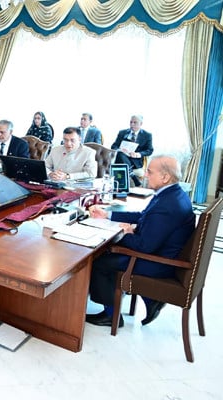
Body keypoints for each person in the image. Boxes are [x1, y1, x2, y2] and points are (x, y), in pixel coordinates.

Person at [86, 155, 195, 327]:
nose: (145, 175)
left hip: (158, 263)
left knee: (100, 261)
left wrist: (125, 232)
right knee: (108, 249)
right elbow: (144, 216)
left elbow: (144, 246)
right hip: (165, 254)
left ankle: (111, 315)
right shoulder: (172, 194)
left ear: (165, 177)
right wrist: (108, 215)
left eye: (150, 172)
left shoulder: (168, 204)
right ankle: (150, 299)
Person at [111, 114, 154, 187]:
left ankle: (130, 175)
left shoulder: (147, 135)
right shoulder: (122, 132)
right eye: (131, 122)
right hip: (122, 158)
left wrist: (138, 154)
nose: (132, 124)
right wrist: (119, 149)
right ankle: (132, 175)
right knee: (120, 154)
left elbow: (149, 150)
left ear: (141, 124)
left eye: (135, 122)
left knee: (120, 157)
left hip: (135, 161)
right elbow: (114, 146)